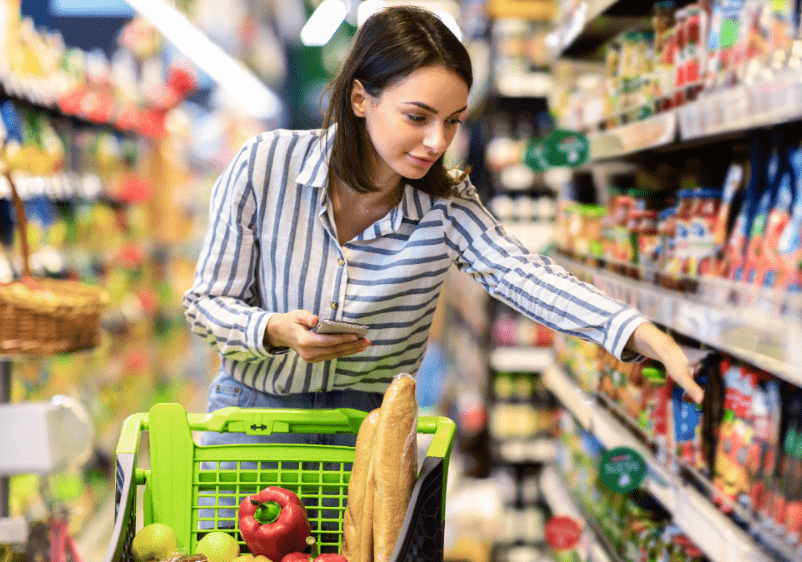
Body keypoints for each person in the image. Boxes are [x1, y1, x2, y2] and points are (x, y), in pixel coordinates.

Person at [183, 5, 703, 447]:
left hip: (373, 437)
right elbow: (206, 303)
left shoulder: (447, 202)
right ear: (361, 98)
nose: (438, 141)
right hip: (254, 423)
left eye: (453, 120)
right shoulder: (265, 164)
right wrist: (272, 330)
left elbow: (524, 275)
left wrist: (636, 331)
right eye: (418, 117)